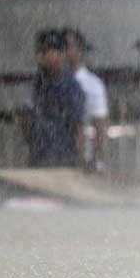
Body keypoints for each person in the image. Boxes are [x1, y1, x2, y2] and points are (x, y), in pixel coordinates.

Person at [22, 29, 85, 167]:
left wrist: (79, 160)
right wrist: (34, 144)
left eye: (45, 52)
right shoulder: (34, 85)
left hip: (64, 158)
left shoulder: (71, 87)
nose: (40, 57)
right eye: (39, 52)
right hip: (38, 158)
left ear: (61, 54)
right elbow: (26, 118)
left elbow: (78, 127)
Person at [64, 28, 109, 172]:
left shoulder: (93, 84)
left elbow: (100, 126)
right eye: (61, 47)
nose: (64, 51)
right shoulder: (46, 83)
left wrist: (96, 160)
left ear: (80, 50)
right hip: (53, 157)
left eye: (68, 46)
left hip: (83, 159)